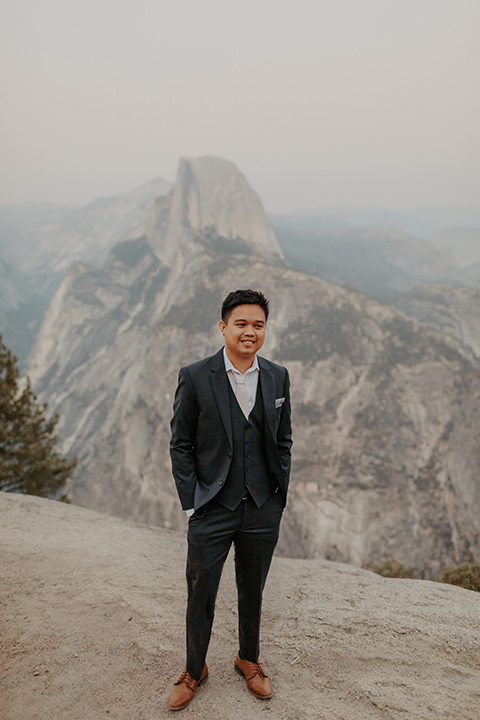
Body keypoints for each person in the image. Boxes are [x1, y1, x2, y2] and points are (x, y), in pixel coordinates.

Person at [167, 289, 292, 711]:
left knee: (252, 588)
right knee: (201, 589)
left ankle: (249, 659)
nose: (249, 332)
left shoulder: (278, 376)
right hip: (212, 507)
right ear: (223, 327)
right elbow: (180, 444)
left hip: (262, 505)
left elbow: (283, 439)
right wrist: (192, 502)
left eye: (258, 325)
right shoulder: (196, 375)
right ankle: (194, 668)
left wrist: (279, 494)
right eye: (241, 323)